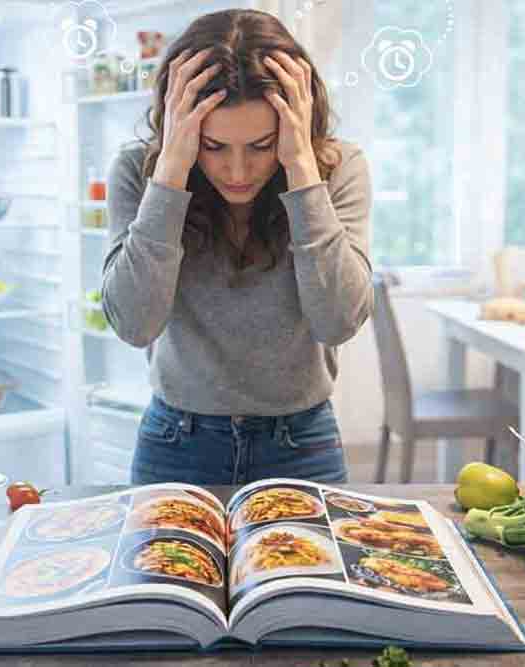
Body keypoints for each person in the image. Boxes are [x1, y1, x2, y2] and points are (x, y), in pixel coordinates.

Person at [102, 9, 372, 486]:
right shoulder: (137, 172)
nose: (238, 171)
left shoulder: (337, 167)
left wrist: (301, 170)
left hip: (302, 442)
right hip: (175, 443)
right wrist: (171, 174)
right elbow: (133, 323)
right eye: (213, 146)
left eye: (262, 144)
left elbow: (338, 321)